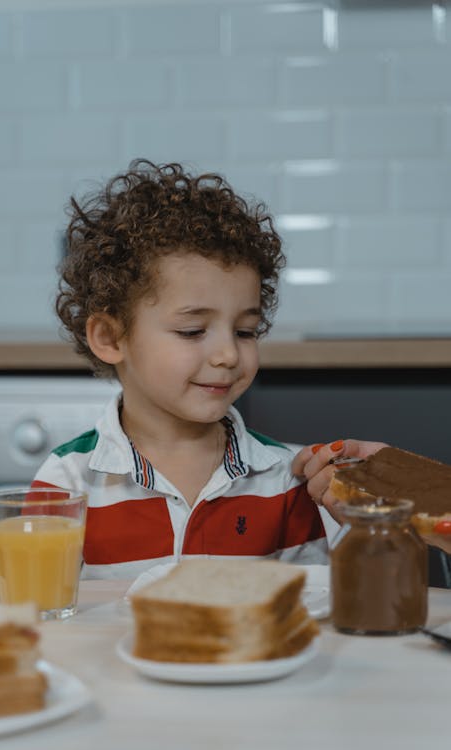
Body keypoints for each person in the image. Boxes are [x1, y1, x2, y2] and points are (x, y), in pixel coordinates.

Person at [32, 160, 385, 579]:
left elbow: (305, 609)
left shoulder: (281, 478)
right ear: (110, 338)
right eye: (193, 330)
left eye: (246, 331)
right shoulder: (67, 481)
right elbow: (44, 618)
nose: (229, 356)